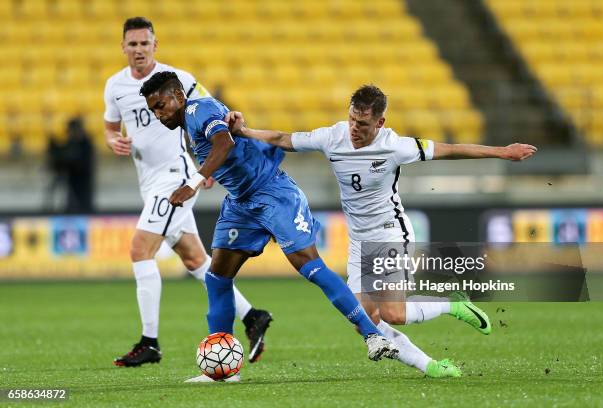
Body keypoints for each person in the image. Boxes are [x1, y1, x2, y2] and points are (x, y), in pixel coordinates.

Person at [225, 84, 538, 378]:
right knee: (365, 320)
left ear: (380, 122)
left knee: (394, 313)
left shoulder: (395, 146)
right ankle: (431, 366)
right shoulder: (333, 137)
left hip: (390, 232)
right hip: (359, 240)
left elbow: (451, 148)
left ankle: (453, 304)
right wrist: (244, 131)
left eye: (362, 124)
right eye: (351, 119)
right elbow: (283, 139)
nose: (354, 129)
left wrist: (502, 151)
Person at [140, 72, 407, 383]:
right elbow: (224, 148)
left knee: (309, 266)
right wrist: (212, 173)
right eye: (153, 110)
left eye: (161, 105)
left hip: (273, 193)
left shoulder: (198, 111)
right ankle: (223, 370)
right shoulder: (188, 124)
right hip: (241, 202)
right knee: (217, 277)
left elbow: (223, 142)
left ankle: (373, 336)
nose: (159, 114)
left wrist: (195, 181)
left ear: (178, 96)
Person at [103, 17, 272, 367]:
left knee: (139, 249)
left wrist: (205, 168)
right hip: (148, 179)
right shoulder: (114, 86)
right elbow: (108, 127)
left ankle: (149, 342)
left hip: (175, 176)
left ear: (155, 45)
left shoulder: (179, 80)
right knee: (195, 260)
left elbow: (215, 116)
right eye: (132, 44)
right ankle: (253, 316)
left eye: (144, 44)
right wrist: (112, 140)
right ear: (123, 47)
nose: (138, 50)